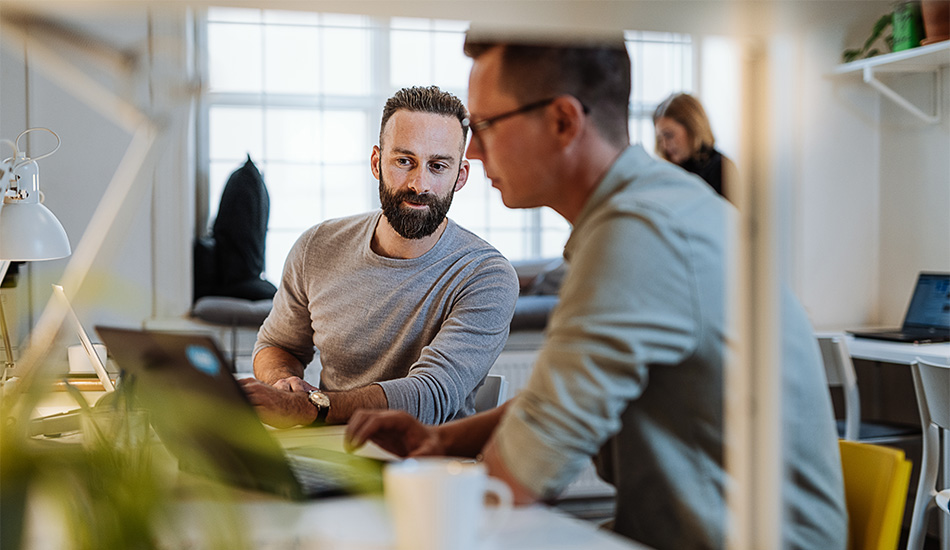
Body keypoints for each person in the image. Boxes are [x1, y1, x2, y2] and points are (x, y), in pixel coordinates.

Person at [345, 35, 847, 550]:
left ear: (564, 121)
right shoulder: (649, 205)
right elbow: (551, 404)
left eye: (487, 124)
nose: (472, 150)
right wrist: (443, 440)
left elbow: (512, 484)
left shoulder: (639, 234)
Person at [240, 86, 519, 429]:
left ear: (460, 176)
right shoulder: (317, 246)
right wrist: (282, 382)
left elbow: (430, 395)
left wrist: (308, 408)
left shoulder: (487, 276)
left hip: (427, 464)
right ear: (376, 162)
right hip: (326, 451)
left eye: (438, 166)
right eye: (404, 161)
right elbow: (277, 344)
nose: (419, 184)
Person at [653, 92, 737, 200]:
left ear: (692, 129)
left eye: (669, 135)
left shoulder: (722, 168)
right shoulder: (668, 171)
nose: (664, 145)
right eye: (660, 139)